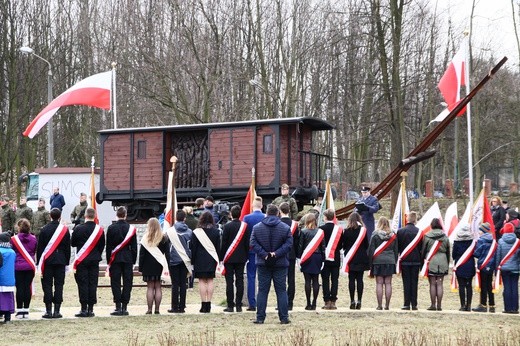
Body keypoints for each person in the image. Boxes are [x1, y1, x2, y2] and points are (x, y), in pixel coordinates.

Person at [250, 204, 292, 324]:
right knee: (281, 290)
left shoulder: (257, 227)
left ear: (266, 212)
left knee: (262, 290)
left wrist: (264, 254)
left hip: (263, 262)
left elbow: (253, 243)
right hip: (280, 263)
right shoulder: (284, 228)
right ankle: (284, 318)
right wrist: (276, 253)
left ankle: (260, 318)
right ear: (278, 213)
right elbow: (289, 244)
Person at [70, 207, 105, 317]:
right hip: (94, 259)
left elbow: (73, 243)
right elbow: (101, 245)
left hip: (82, 260)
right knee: (93, 283)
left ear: (85, 216)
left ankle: (83, 308)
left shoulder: (78, 228)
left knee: (83, 283)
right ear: (94, 216)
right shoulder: (99, 230)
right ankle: (91, 308)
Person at [36, 208, 70, 319]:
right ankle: (57, 310)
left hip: (48, 261)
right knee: (59, 285)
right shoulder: (65, 230)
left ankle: (48, 310)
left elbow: (40, 248)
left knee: (47, 285)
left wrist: (39, 263)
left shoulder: (44, 229)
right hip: (61, 260)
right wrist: (67, 262)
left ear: (50, 216)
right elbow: (67, 248)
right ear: (60, 216)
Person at [106, 206, 138, 316]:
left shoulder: (111, 228)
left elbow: (108, 246)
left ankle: (118, 306)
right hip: (128, 258)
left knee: (115, 282)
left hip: (115, 258)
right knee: (127, 282)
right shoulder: (131, 228)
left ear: (117, 215)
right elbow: (134, 247)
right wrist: (133, 260)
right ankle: (125, 306)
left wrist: (108, 261)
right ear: (125, 215)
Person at [220, 205, 249, 312]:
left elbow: (224, 243)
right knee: (240, 281)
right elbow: (247, 243)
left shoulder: (227, 227)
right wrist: (246, 256)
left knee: (229, 282)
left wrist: (221, 257)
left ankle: (230, 305)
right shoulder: (245, 226)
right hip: (241, 258)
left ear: (231, 214)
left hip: (229, 258)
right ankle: (239, 305)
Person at [139, 218, 170, 314]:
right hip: (159, 265)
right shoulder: (164, 238)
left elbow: (142, 255)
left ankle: (149, 310)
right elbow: (167, 254)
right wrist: (167, 266)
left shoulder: (145, 238)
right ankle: (157, 310)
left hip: (148, 266)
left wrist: (140, 267)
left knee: (150, 287)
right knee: (158, 287)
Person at [191, 211, 220, 313]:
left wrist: (192, 260)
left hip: (199, 259)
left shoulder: (196, 232)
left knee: (202, 281)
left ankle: (203, 305)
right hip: (211, 259)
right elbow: (218, 248)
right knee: (210, 280)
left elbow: (193, 248)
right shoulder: (216, 231)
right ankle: (209, 304)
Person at [166, 209, 192, 314]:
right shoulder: (190, 232)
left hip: (173, 260)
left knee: (175, 284)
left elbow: (166, 245)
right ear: (185, 218)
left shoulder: (170, 231)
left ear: (176, 218)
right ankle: (182, 306)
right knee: (183, 283)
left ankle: (174, 306)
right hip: (185, 260)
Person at [368, 216, 398, 310]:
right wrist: (394, 261)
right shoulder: (393, 235)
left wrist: (370, 264)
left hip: (378, 261)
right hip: (390, 260)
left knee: (379, 283)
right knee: (388, 283)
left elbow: (371, 250)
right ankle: (387, 305)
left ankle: (379, 305)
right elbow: (396, 250)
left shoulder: (375, 235)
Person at [297, 213, 325, 310]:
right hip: (317, 257)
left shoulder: (303, 231)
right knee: (316, 280)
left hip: (307, 257)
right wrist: (323, 259)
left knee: (307, 281)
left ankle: (308, 303)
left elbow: (300, 246)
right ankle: (314, 303)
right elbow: (323, 247)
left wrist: (299, 258)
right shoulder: (320, 232)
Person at [421, 218, 450, 311]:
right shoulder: (445, 237)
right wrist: (447, 262)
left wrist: (423, 262)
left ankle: (433, 305)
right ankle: (439, 305)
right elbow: (448, 251)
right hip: (442, 260)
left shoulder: (427, 236)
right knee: (440, 284)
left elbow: (423, 250)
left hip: (431, 260)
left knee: (432, 284)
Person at [10, 218, 37, 319]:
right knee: (27, 287)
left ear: (19, 227)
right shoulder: (34, 238)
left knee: (20, 288)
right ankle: (26, 310)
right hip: (30, 265)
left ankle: (20, 310)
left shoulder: (13, 239)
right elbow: (34, 250)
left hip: (18, 266)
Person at [342, 212, 369, 310]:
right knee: (360, 279)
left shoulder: (346, 231)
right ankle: (359, 301)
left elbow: (343, 245)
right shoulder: (363, 231)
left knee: (351, 279)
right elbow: (366, 245)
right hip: (361, 257)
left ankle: (352, 300)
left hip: (351, 257)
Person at [243, 196, 265, 311]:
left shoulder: (247, 218)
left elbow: (244, 235)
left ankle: (252, 303)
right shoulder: (265, 217)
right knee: (262, 278)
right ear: (261, 206)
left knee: (251, 276)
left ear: (252, 206)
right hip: (264, 252)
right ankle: (262, 303)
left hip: (251, 251)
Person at [396, 211, 421, 310]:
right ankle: (414, 304)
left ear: (407, 219)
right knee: (414, 282)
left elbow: (398, 246)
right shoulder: (419, 232)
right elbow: (421, 247)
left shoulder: (400, 231)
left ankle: (406, 303)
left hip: (404, 260)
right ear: (415, 220)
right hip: (416, 260)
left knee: (406, 282)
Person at [319, 208, 343, 310]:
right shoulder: (339, 230)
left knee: (325, 280)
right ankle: (333, 301)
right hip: (335, 257)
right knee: (335, 280)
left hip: (324, 258)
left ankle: (326, 301)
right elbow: (341, 244)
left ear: (325, 217)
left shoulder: (321, 229)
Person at [496, 221, 520, 314]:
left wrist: (497, 268)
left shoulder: (501, 241)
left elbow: (498, 256)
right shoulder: (518, 241)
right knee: (514, 288)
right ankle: (515, 308)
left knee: (507, 288)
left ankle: (507, 308)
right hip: (515, 268)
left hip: (504, 268)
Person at [279, 202, 299, 310]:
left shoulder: (277, 223)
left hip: (280, 254)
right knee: (291, 279)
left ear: (280, 211)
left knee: (281, 279)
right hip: (291, 254)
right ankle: (290, 302)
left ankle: (282, 302)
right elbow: (296, 241)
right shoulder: (295, 225)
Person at [472, 222, 496, 313]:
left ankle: (483, 304)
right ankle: (492, 305)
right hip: (491, 265)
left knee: (483, 285)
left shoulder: (481, 240)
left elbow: (477, 253)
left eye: (480, 230)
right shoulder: (493, 240)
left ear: (483, 231)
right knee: (489, 285)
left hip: (483, 264)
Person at [452, 225, 476, 311]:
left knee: (461, 285)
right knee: (469, 285)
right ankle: (469, 305)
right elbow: (474, 253)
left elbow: (453, 255)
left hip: (460, 264)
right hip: (470, 263)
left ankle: (462, 305)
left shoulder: (456, 241)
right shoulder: (472, 241)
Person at [0, 233, 15, 324]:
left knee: (1, 298)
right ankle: (8, 316)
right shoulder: (12, 252)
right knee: (9, 297)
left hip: (1, 277)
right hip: (10, 278)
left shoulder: (0, 251)